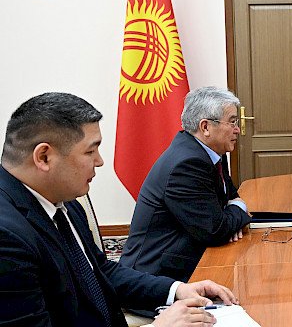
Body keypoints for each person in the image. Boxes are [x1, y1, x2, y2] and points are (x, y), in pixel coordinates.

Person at [0, 92, 238, 326]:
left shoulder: (63, 199)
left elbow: (101, 271)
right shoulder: (7, 238)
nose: (100, 161)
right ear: (44, 157)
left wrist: (176, 289)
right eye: (90, 151)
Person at [121, 87, 252, 282]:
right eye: (232, 121)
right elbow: (215, 230)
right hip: (157, 275)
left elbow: (230, 197)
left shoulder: (212, 152)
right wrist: (239, 209)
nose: (238, 129)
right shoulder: (187, 164)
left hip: (188, 253)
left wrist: (232, 216)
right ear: (205, 127)